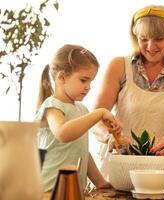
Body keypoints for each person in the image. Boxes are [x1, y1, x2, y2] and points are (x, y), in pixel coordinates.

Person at [92, 5, 164, 177]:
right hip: (119, 170)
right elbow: (96, 117)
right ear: (135, 37)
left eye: (158, 39)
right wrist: (108, 136)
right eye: (144, 39)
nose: (151, 46)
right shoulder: (119, 66)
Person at [35, 44, 121, 192]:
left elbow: (81, 151)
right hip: (49, 191)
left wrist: (100, 182)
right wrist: (99, 113)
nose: (88, 87)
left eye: (91, 81)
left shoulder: (81, 109)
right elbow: (63, 133)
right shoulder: (52, 107)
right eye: (83, 80)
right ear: (61, 77)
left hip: (72, 191)